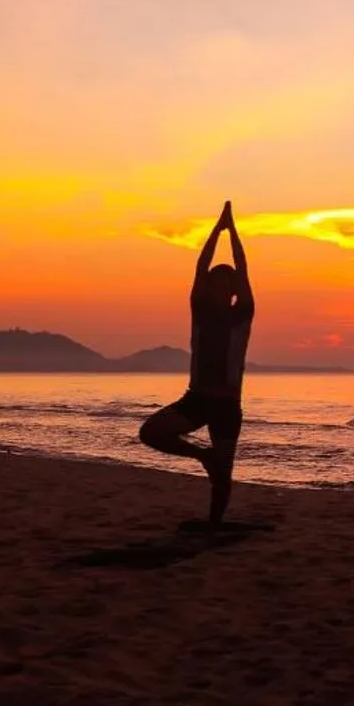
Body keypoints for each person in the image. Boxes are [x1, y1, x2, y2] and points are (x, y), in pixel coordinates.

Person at [138, 200, 254, 525]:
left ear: (232, 291)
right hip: (197, 399)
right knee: (150, 432)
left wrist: (233, 233)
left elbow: (243, 269)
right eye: (215, 283)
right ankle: (202, 455)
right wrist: (217, 230)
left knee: (224, 473)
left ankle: (214, 523)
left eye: (225, 283)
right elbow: (200, 268)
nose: (219, 286)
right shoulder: (200, 312)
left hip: (228, 404)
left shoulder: (242, 315)